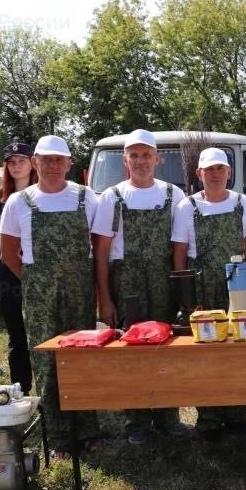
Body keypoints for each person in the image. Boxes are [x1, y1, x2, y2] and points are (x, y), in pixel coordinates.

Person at [0, 135, 101, 458]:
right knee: (46, 362)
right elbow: (7, 253)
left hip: (80, 292)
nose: (53, 165)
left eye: (59, 160)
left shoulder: (87, 197)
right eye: (46, 160)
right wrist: (36, 282)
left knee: (82, 356)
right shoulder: (19, 202)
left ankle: (87, 429)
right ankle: (57, 436)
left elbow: (100, 246)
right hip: (39, 296)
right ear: (35, 163)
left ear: (69, 163)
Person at [92, 129, 189, 445]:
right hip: (127, 281)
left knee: (167, 344)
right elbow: (102, 252)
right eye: (134, 155)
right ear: (125, 160)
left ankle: (168, 415)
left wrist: (182, 294)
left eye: (146, 155)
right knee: (131, 346)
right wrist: (105, 298)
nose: (140, 161)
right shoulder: (112, 196)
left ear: (157, 159)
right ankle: (136, 420)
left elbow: (181, 247)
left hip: (163, 280)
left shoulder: (173, 195)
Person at [172, 147, 246, 440]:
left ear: (229, 172)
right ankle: (208, 418)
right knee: (204, 350)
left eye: (220, 168)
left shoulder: (243, 203)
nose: (215, 174)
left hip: (237, 283)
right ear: (199, 174)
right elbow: (180, 253)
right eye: (209, 169)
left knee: (237, 348)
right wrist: (185, 296)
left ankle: (237, 415)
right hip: (202, 285)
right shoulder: (187, 207)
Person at [0, 141, 37, 395]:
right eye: (11, 162)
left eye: (21, 161)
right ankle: (21, 388)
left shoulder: (42, 192)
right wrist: (14, 253)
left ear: (32, 163)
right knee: (16, 331)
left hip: (38, 267)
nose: (16, 166)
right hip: (8, 269)